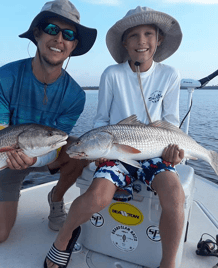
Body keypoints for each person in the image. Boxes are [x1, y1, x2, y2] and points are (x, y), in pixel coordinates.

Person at [45, 6, 185, 268]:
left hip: (154, 151)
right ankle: (63, 240)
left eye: (148, 34)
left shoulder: (170, 75)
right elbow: (100, 122)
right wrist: (99, 153)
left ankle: (168, 263)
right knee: (97, 196)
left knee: (175, 194)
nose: (141, 42)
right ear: (124, 42)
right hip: (115, 150)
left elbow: (172, 123)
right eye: (133, 35)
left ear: (159, 39)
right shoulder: (112, 74)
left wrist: (173, 150)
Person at [0, 0, 96, 243]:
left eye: (68, 34)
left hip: (45, 153)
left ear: (73, 45)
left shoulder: (76, 96)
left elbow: (57, 143)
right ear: (37, 34)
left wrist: (33, 159)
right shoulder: (4, 77)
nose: (59, 39)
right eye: (52, 29)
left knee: (82, 148)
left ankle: (56, 198)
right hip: (3, 156)